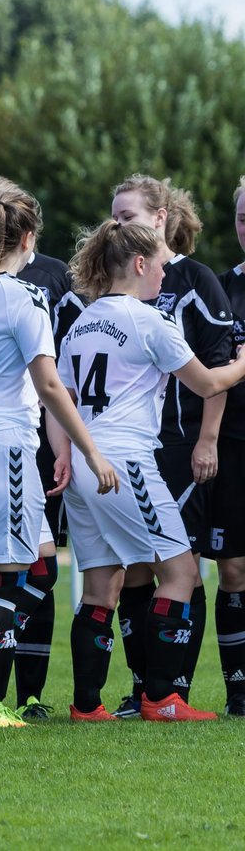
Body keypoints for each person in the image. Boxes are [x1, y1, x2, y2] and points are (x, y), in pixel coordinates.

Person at [0, 187, 119, 729]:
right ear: (28, 239)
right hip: (1, 446)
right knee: (1, 574)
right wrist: (91, 451)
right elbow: (51, 385)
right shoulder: (23, 297)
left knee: (39, 564)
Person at [61, 219, 242, 721]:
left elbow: (63, 397)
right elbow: (207, 383)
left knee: (99, 585)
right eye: (161, 265)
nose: (166, 275)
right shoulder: (149, 321)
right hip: (124, 462)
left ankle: (86, 705)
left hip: (84, 460)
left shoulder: (84, 320)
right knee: (181, 571)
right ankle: (162, 698)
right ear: (139, 264)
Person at [109, 174, 231, 715]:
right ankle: (143, 689)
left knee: (180, 564)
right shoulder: (116, 282)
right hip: (126, 447)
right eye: (114, 217)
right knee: (133, 570)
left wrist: (207, 441)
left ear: (160, 219)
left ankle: (172, 688)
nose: (118, 225)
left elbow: (220, 365)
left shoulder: (195, 280)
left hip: (180, 447)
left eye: (128, 216)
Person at [213, 176, 245, 717]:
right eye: (243, 218)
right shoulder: (222, 288)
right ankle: (239, 689)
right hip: (234, 447)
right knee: (234, 569)